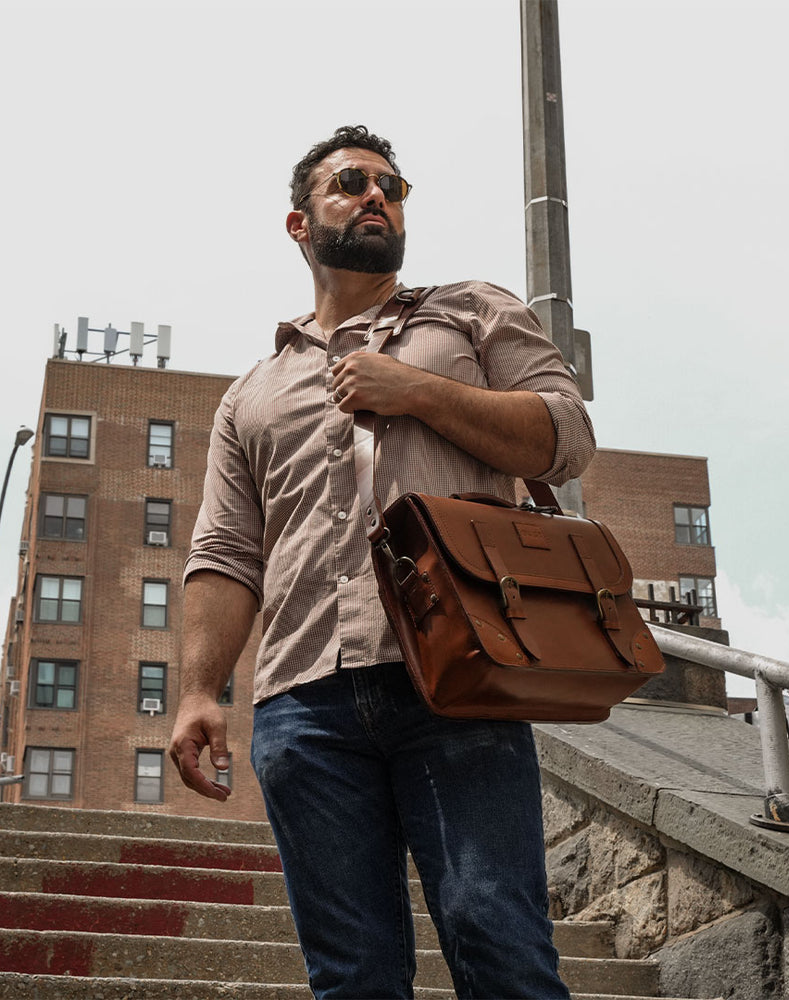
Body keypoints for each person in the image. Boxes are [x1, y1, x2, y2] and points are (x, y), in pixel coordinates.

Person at [168, 125, 596, 1000]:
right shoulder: (251, 392)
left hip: (461, 681)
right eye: (353, 183)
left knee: (500, 944)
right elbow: (225, 550)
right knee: (351, 978)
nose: (377, 197)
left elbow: (567, 439)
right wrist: (200, 691)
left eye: (393, 189)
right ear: (299, 222)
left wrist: (421, 393)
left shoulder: (471, 312)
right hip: (302, 706)